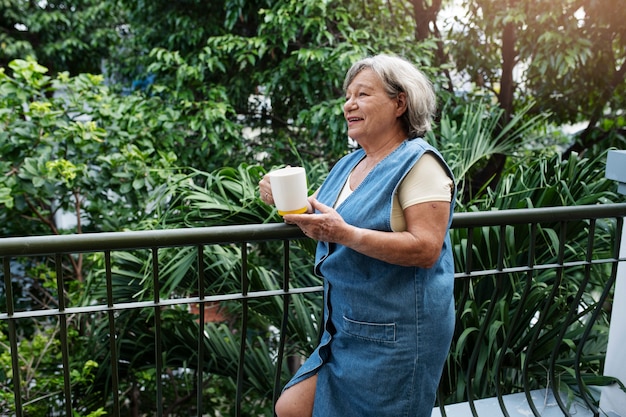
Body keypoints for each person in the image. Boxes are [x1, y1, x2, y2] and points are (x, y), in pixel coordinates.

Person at [259, 53, 456, 417]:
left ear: (400, 102)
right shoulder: (349, 164)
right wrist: (283, 194)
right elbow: (325, 224)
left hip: (399, 335)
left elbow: (426, 249)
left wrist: (345, 233)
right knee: (291, 407)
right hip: (346, 330)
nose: (349, 104)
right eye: (348, 96)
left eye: (363, 94)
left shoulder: (420, 163)